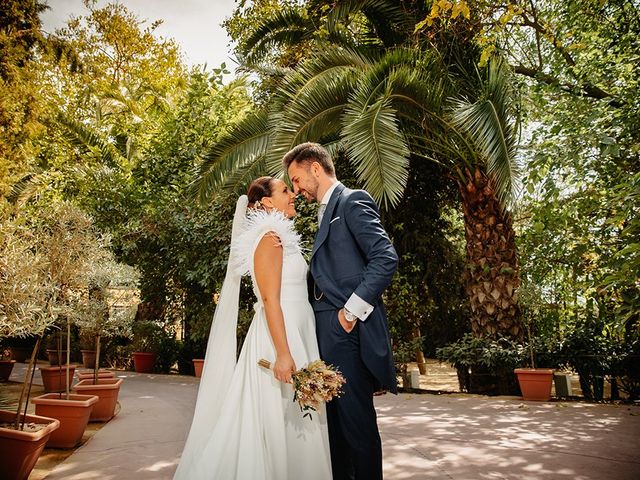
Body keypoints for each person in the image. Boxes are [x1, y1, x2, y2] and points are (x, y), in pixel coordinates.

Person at [173, 176, 332, 480]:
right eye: (286, 190)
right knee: (279, 418)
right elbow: (271, 300)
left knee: (295, 416)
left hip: (296, 330)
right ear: (268, 202)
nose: (293, 195)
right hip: (279, 338)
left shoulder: (281, 238)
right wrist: (284, 354)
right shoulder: (269, 238)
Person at [284, 142, 399, 480]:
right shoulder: (324, 211)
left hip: (345, 331)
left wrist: (348, 314)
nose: (296, 189)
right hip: (324, 334)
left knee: (356, 424)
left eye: (296, 179)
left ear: (314, 168)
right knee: (334, 429)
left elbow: (385, 257)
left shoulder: (352, 201)